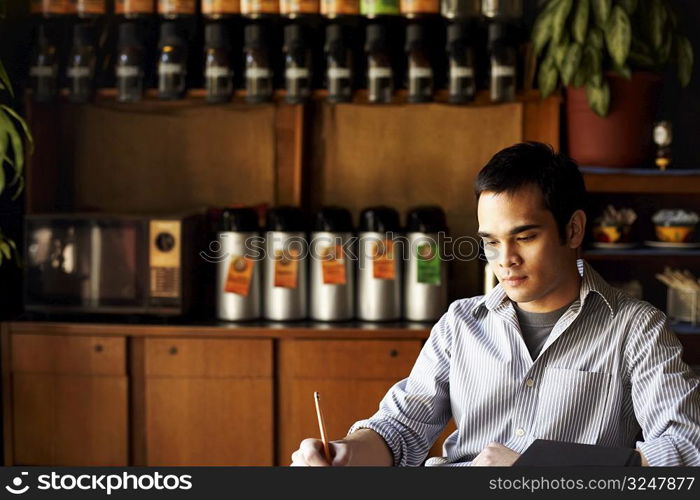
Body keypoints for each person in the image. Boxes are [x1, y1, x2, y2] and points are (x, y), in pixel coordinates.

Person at [291, 142, 700, 467]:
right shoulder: (461, 323)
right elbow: (400, 430)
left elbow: (687, 450)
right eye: (490, 242)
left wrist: (543, 466)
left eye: (524, 237)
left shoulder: (636, 329)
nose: (505, 259)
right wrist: (347, 452)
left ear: (573, 229)